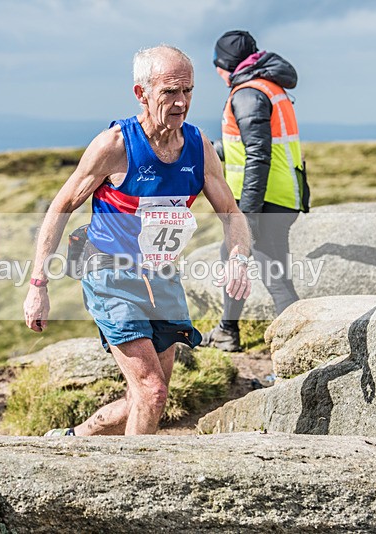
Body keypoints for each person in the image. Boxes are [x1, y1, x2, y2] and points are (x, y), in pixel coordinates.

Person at [23, 46, 252, 436]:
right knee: (153, 390)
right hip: (108, 274)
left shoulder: (199, 147)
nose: (181, 102)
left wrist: (238, 258)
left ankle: (70, 440)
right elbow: (60, 206)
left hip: (161, 277)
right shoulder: (115, 145)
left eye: (188, 91)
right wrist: (38, 285)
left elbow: (231, 213)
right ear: (141, 93)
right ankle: (132, 479)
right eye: (169, 92)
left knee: (144, 397)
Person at [202, 30, 309, 352]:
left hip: (265, 202)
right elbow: (251, 147)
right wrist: (212, 150)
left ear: (227, 64)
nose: (217, 71)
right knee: (229, 255)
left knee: (276, 279)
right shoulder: (267, 87)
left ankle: (300, 353)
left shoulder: (247, 94)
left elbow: (258, 156)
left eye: (217, 64)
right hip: (279, 194)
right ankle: (226, 330)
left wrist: (248, 217)